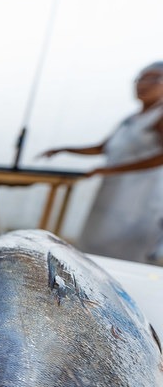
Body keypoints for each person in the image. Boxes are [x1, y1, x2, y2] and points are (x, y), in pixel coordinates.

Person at [40, 62, 163, 263]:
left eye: (154, 78)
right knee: (96, 247)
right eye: (140, 78)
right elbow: (102, 148)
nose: (144, 84)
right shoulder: (131, 119)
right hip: (114, 194)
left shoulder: (159, 116)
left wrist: (109, 170)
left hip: (142, 198)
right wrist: (63, 149)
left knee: (126, 254)